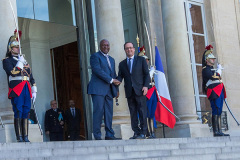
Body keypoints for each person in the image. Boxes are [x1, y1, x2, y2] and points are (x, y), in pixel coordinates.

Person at [2, 30, 37, 142]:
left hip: (26, 87)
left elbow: (30, 75)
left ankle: (26, 136)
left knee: (26, 111)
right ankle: (19, 137)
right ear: (10, 49)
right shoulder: (7, 61)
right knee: (18, 111)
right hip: (17, 89)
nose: (18, 49)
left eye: (18, 47)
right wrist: (20, 63)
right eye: (16, 47)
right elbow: (12, 72)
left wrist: (34, 87)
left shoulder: (24, 61)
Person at [87, 39, 121, 140]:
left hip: (109, 90)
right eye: (103, 45)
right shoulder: (95, 56)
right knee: (98, 111)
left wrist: (116, 88)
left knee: (109, 112)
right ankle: (97, 136)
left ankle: (109, 134)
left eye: (107, 45)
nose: (106, 47)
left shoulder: (112, 59)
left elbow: (113, 74)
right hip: (98, 89)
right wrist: (111, 80)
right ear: (100, 46)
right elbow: (98, 71)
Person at [117, 42, 150, 139]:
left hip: (140, 90)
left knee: (142, 111)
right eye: (127, 48)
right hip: (129, 92)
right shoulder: (122, 64)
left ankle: (143, 132)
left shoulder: (141, 60)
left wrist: (145, 86)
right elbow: (120, 76)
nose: (129, 50)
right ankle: (136, 132)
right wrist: (115, 81)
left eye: (130, 48)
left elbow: (146, 74)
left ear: (134, 49)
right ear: (125, 50)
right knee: (133, 113)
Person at [202, 45, 229, 137]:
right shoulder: (206, 69)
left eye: (213, 59)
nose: (213, 60)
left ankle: (219, 130)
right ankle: (215, 131)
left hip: (219, 90)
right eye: (211, 59)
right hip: (214, 91)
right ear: (207, 60)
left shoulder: (211, 69)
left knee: (219, 110)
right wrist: (219, 71)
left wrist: (218, 71)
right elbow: (213, 76)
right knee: (216, 109)